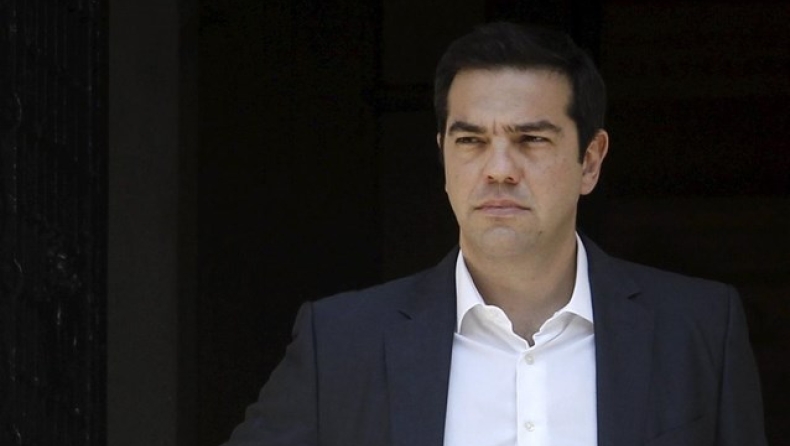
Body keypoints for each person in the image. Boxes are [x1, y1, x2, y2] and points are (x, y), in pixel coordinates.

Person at [223, 22, 767, 446]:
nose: (499, 169)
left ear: (590, 161)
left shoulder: (698, 329)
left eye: (531, 140)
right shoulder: (342, 344)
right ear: (443, 155)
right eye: (471, 141)